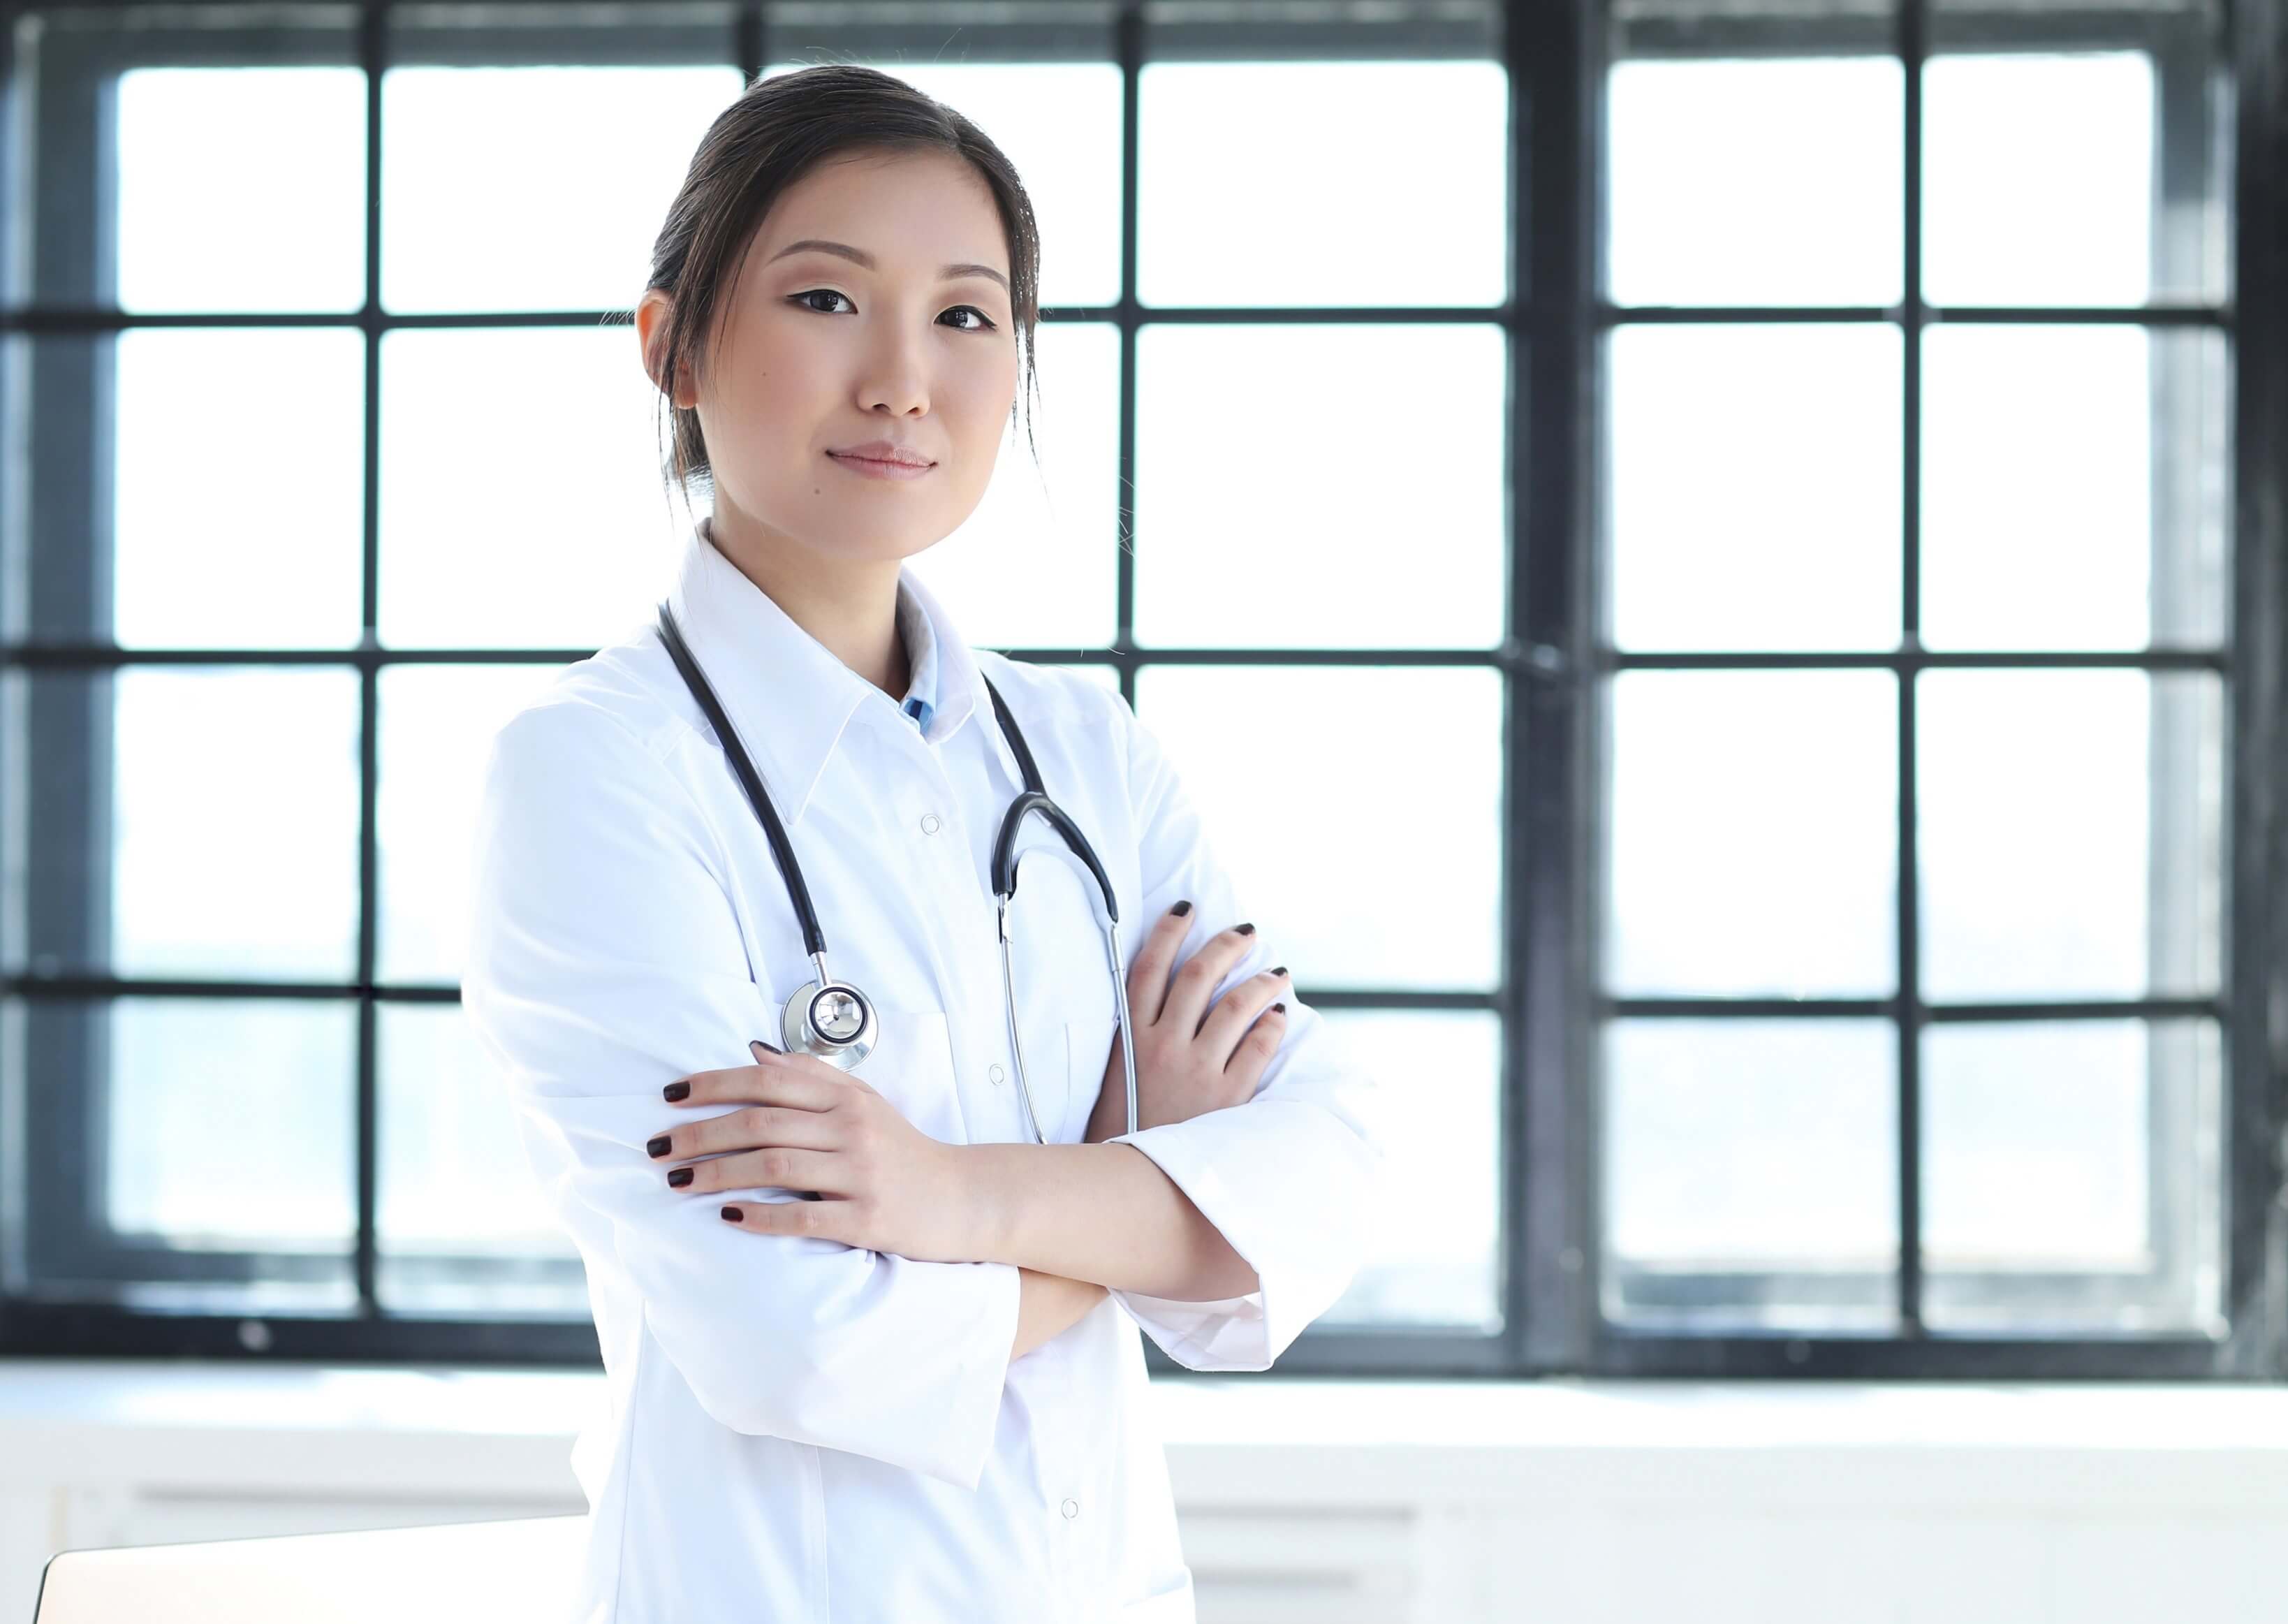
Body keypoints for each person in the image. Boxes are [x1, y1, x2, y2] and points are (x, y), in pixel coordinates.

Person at [460, 61, 1386, 1624]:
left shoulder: (1085, 751)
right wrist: (1134, 1186)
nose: (903, 380)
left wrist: (951, 1196)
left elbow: (1325, 1176)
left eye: (966, 315)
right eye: (827, 300)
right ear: (671, 344)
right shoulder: (594, 772)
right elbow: (798, 1341)